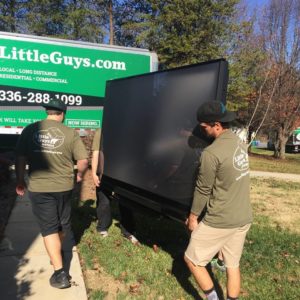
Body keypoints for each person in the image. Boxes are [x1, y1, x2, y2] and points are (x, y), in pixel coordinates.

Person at [15, 99, 88, 289]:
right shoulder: (70, 133)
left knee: (49, 228)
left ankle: (59, 274)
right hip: (64, 186)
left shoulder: (30, 130)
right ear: (62, 113)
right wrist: (79, 174)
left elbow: (21, 157)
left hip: (40, 187)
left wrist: (20, 180)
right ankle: (57, 258)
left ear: (47, 111)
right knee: (62, 224)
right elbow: (83, 160)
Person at [184, 101, 252, 300]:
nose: (202, 130)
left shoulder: (211, 154)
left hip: (221, 219)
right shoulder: (239, 143)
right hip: (243, 217)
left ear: (216, 125)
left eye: (204, 127)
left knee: (192, 260)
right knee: (232, 265)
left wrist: (193, 217)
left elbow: (203, 189)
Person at [91, 128, 139, 244]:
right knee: (104, 201)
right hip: (104, 172)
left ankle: (127, 230)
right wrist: (94, 173)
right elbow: (96, 152)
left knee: (126, 202)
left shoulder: (130, 128)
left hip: (125, 172)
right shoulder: (101, 131)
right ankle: (103, 227)